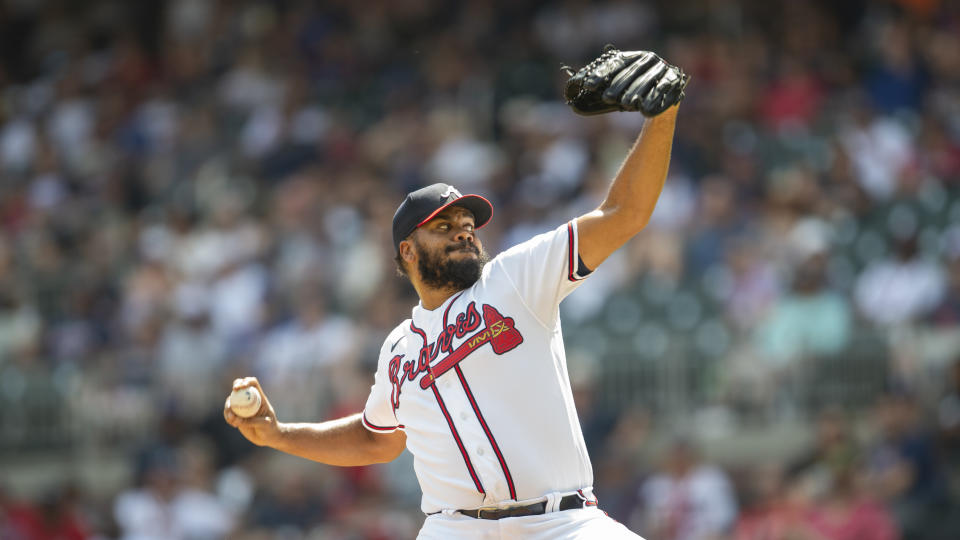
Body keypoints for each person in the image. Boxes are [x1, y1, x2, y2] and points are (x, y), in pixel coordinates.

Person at [224, 47, 687, 539]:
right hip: (455, 529)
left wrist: (662, 115)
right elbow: (372, 438)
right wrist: (277, 435)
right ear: (407, 250)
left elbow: (623, 215)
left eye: (468, 223)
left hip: (563, 522)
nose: (463, 231)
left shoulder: (515, 278)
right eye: (443, 226)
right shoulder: (399, 349)